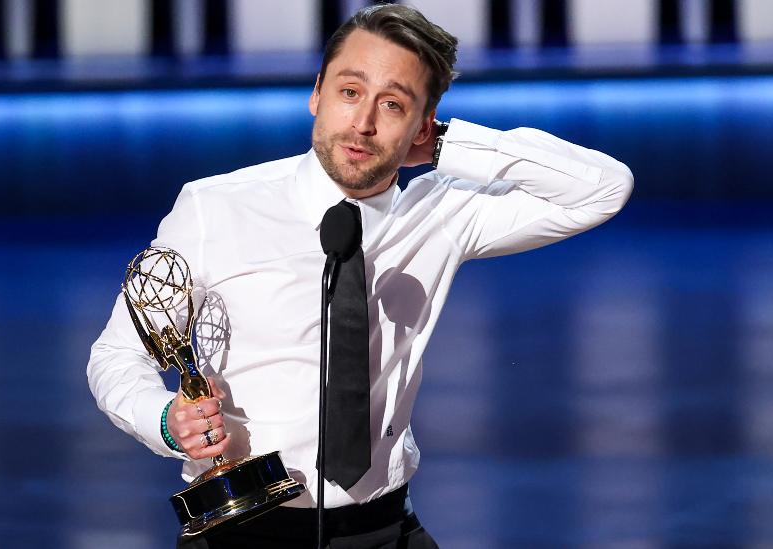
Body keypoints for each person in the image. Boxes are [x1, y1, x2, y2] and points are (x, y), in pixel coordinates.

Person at [87, 4, 633, 548]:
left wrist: (449, 146)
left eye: (392, 105)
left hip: (385, 528)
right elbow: (115, 356)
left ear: (422, 124)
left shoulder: (442, 214)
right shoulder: (215, 207)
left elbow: (604, 188)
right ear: (317, 92)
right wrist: (164, 420)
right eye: (350, 92)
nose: (364, 124)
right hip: (242, 529)